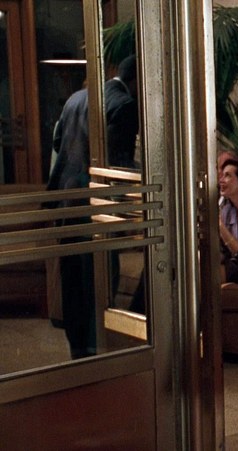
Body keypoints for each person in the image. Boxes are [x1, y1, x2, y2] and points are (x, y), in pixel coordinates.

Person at [46, 54, 139, 358]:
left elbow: (58, 143)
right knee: (100, 277)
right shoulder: (124, 105)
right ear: (137, 82)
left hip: (66, 198)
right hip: (95, 203)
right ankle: (98, 349)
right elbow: (117, 162)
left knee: (72, 278)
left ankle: (78, 351)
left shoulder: (76, 98)